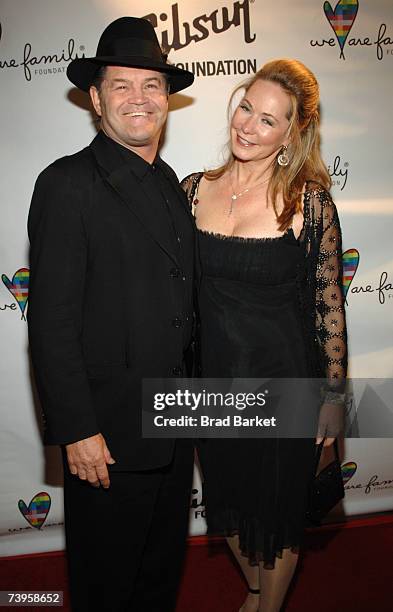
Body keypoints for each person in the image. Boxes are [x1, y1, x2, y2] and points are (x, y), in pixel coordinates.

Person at [27, 17, 195, 612]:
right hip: (109, 438)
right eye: (121, 86)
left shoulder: (172, 182)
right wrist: (76, 430)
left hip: (174, 427)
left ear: (167, 99)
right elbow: (50, 322)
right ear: (95, 99)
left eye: (151, 85)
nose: (139, 99)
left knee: (157, 581)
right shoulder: (67, 183)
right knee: (106, 589)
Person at [182, 59, 347, 612]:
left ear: (292, 133)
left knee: (278, 514)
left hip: (284, 384)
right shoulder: (190, 191)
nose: (248, 126)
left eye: (268, 120)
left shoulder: (310, 203)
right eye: (246, 107)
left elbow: (329, 306)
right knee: (228, 500)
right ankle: (255, 589)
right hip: (213, 385)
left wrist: (333, 396)